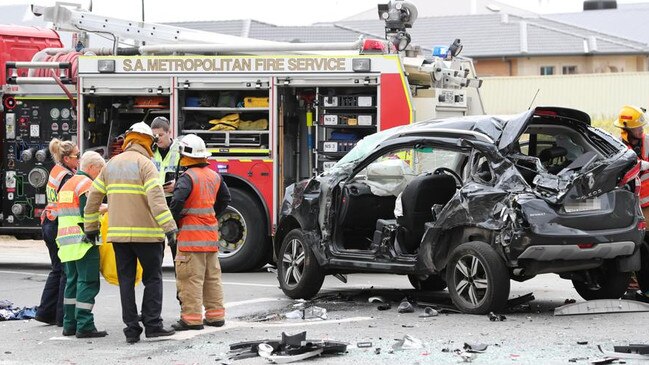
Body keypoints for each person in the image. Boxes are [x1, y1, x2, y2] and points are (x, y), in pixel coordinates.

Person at [84, 121, 178, 344]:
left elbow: (92, 199)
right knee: (152, 278)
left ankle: (131, 330)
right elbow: (157, 201)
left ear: (128, 140)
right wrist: (170, 228)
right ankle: (153, 326)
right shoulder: (146, 165)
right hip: (147, 235)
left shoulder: (110, 165)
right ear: (147, 142)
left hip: (119, 237)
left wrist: (90, 229)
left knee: (126, 281)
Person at [169, 134, 231, 331]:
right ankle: (215, 316)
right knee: (211, 278)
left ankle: (191, 319)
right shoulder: (214, 176)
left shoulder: (187, 177)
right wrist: (211, 216)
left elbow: (177, 202)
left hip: (190, 239)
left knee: (190, 279)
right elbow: (225, 199)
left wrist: (174, 221)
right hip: (210, 237)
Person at [56, 151, 107, 338]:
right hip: (85, 241)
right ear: (92, 167)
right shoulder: (87, 184)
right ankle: (85, 325)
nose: (101, 175)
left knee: (72, 283)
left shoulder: (68, 185)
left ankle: (69, 324)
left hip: (67, 242)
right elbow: (89, 212)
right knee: (88, 282)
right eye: (100, 170)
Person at [35, 139, 79, 327]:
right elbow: (70, 204)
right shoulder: (67, 177)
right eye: (77, 156)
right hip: (57, 225)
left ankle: (45, 312)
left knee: (57, 269)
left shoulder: (56, 170)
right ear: (66, 158)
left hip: (48, 222)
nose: (79, 159)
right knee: (66, 272)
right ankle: (62, 316)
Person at [151, 116, 181, 259]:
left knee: (174, 239)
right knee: (156, 241)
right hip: (155, 200)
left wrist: (178, 185)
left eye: (161, 135)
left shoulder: (180, 149)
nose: (157, 139)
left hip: (173, 200)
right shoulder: (150, 151)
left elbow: (189, 173)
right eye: (154, 135)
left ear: (169, 132)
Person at [614, 105, 649, 214]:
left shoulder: (648, 141)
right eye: (637, 127)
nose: (642, 129)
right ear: (626, 129)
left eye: (641, 126)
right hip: (630, 204)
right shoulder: (616, 146)